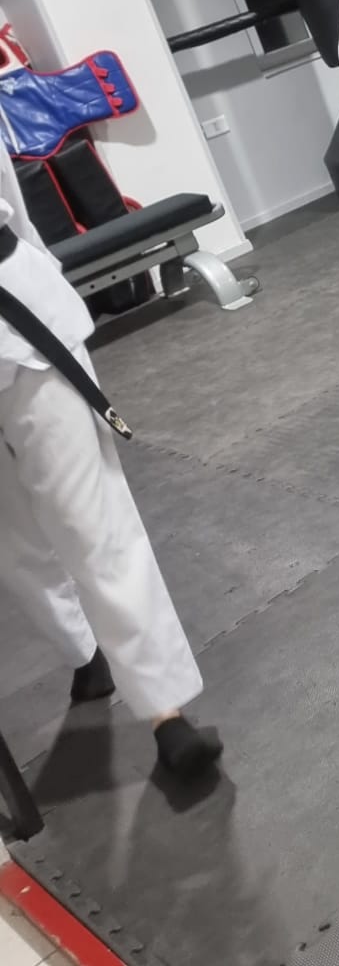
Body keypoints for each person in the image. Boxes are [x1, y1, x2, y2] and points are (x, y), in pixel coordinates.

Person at [0, 146, 220, 779]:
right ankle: (83, 651)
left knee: (90, 519)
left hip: (21, 324)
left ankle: (164, 711)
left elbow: (12, 203)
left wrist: (40, 281)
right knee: (11, 546)